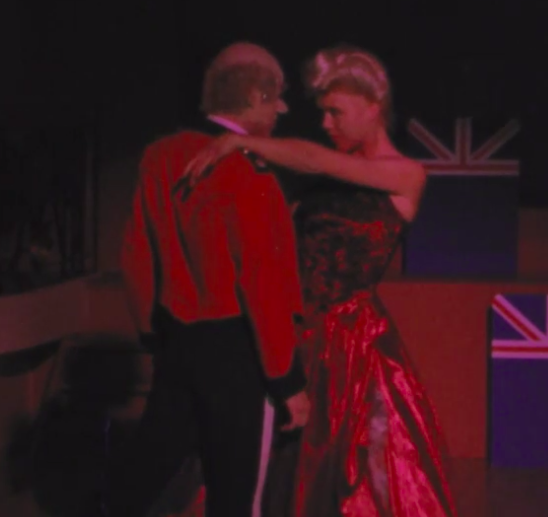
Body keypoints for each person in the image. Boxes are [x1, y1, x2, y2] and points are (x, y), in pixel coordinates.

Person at [183, 45, 457, 517]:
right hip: (295, 332)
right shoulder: (318, 179)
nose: (326, 123)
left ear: (374, 108)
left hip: (351, 342)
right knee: (269, 463)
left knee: (353, 472)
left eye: (336, 112)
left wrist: (240, 141)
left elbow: (315, 158)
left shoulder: (405, 175)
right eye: (323, 113)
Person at [110, 41, 310, 517]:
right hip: (240, 353)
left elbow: (136, 255)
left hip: (176, 341)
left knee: (142, 478)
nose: (282, 110)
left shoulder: (159, 156)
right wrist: (287, 381)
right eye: (277, 97)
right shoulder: (251, 173)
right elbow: (260, 285)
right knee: (238, 498)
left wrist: (152, 332)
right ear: (256, 98)